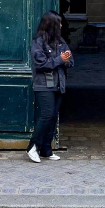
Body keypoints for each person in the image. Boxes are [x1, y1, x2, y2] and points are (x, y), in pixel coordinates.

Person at [27, 11, 74, 163]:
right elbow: (40, 64)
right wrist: (60, 59)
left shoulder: (60, 41)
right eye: (59, 23)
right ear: (52, 24)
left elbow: (70, 60)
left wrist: (65, 60)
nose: (61, 25)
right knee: (46, 115)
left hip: (59, 83)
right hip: (44, 84)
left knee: (53, 117)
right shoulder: (38, 42)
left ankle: (46, 149)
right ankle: (32, 146)